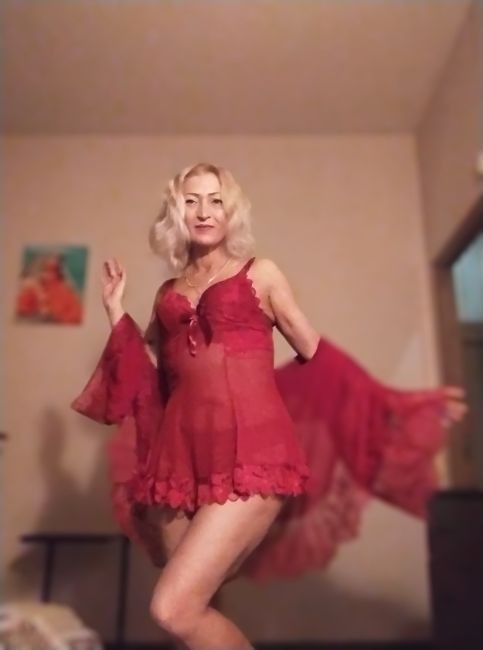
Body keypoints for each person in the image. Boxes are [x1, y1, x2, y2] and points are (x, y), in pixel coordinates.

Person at [72, 162, 467, 650]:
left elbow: (319, 356)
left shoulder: (261, 273)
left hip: (251, 455)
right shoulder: (166, 294)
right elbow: (145, 370)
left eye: (216, 200)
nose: (204, 211)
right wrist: (116, 312)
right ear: (177, 212)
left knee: (173, 609)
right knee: (197, 607)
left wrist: (399, 405)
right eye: (192, 200)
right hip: (179, 460)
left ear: (231, 210)